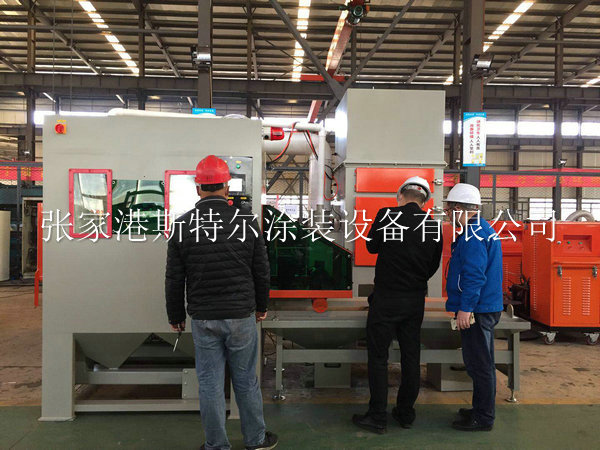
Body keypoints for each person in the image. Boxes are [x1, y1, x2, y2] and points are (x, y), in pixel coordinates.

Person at [165, 155, 278, 450]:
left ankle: (216, 445)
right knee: (246, 380)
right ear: (227, 186)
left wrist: (175, 316)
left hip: (203, 318)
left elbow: (174, 278)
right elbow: (261, 270)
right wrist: (262, 306)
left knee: (210, 383)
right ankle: (256, 440)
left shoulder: (182, 225)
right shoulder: (247, 221)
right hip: (241, 316)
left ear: (197, 187)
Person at [352, 176, 443, 434]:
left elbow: (371, 247)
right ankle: (405, 414)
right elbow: (433, 265)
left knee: (378, 357)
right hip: (414, 301)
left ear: (400, 196)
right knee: (411, 357)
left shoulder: (386, 215)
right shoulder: (433, 226)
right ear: (424, 201)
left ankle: (377, 416)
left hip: (385, 299)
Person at [444, 183, 503, 432]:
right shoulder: (480, 230)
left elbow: (474, 276)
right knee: (482, 364)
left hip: (478, 310)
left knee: (480, 366)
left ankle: (483, 417)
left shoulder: (473, 236)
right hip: (484, 306)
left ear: (459, 209)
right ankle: (480, 410)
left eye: (449, 210)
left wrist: (465, 309)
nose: (448, 215)